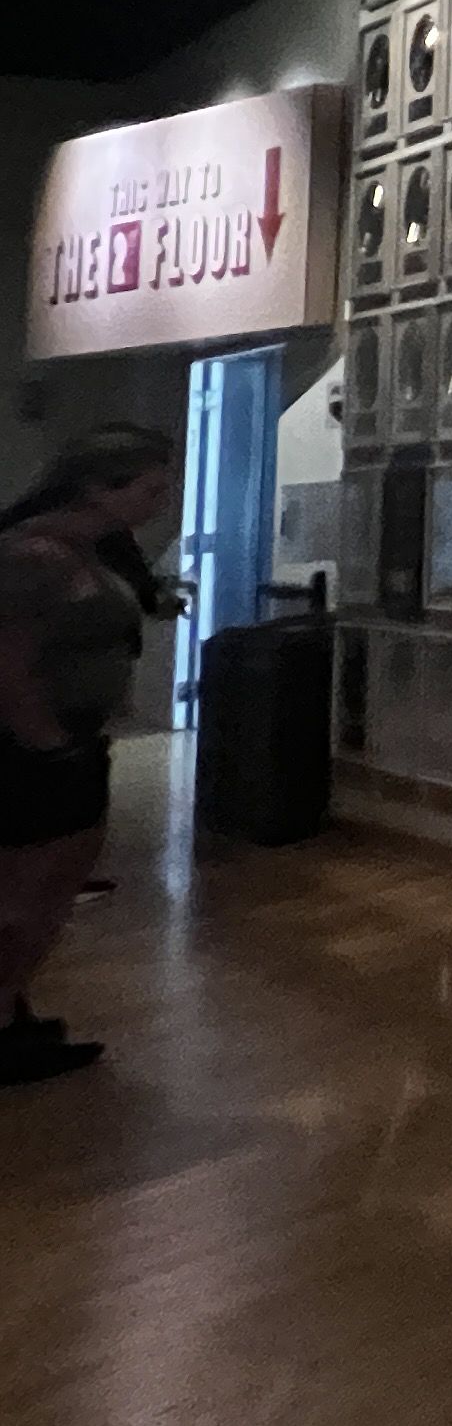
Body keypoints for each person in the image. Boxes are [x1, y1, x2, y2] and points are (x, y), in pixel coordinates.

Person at [0, 423, 180, 1084]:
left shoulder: (90, 552)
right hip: (35, 746)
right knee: (27, 892)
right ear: (96, 488)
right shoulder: (34, 557)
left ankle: (12, 1011)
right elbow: (9, 660)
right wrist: (45, 744)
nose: (158, 502)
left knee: (50, 886)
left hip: (67, 738)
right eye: (148, 488)